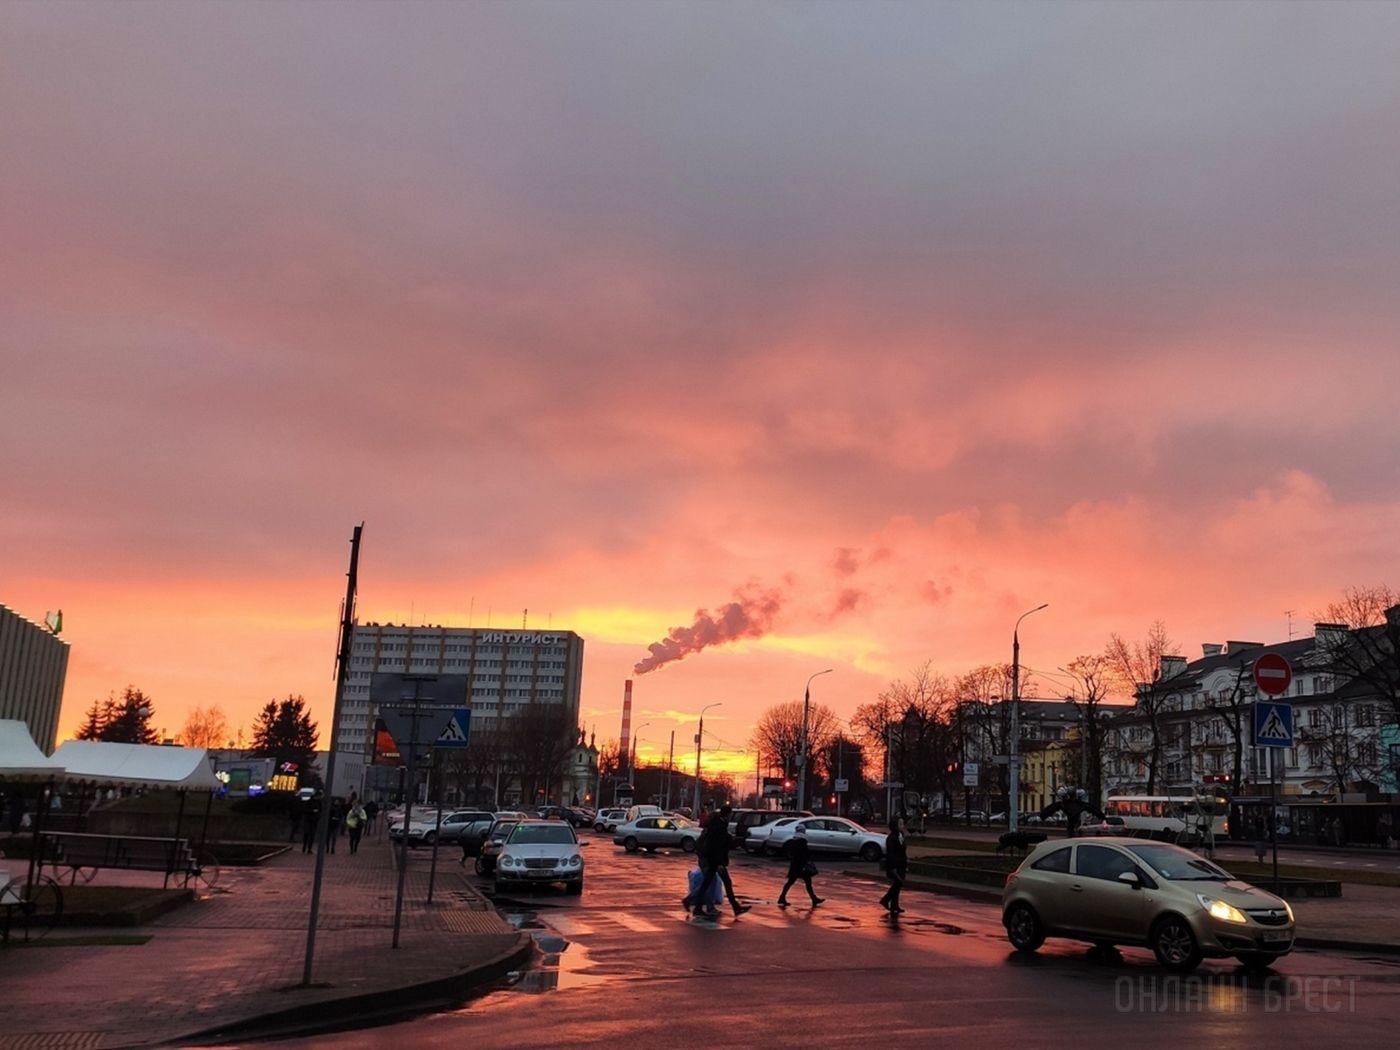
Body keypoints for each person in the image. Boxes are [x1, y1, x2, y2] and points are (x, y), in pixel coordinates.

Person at [682, 804, 750, 919]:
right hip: (715, 862)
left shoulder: (717, 825)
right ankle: (734, 908)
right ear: (727, 814)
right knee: (719, 883)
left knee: (708, 884)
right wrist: (719, 863)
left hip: (713, 861)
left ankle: (697, 906)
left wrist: (737, 840)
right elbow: (716, 847)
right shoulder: (718, 827)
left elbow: (724, 842)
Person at [777, 824, 824, 908]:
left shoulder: (794, 839)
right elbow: (804, 854)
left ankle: (782, 897)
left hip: (795, 865)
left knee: (791, 882)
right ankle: (813, 899)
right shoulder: (802, 840)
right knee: (807, 883)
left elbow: (792, 852)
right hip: (801, 865)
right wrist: (805, 863)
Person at [879, 813, 908, 915]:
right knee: (898, 883)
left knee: (897, 885)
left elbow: (903, 850)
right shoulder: (891, 838)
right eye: (900, 824)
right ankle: (885, 900)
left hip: (901, 864)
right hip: (894, 865)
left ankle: (894, 905)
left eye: (903, 824)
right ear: (895, 825)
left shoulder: (901, 835)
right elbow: (891, 854)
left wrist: (905, 862)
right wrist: (893, 867)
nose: (902, 826)